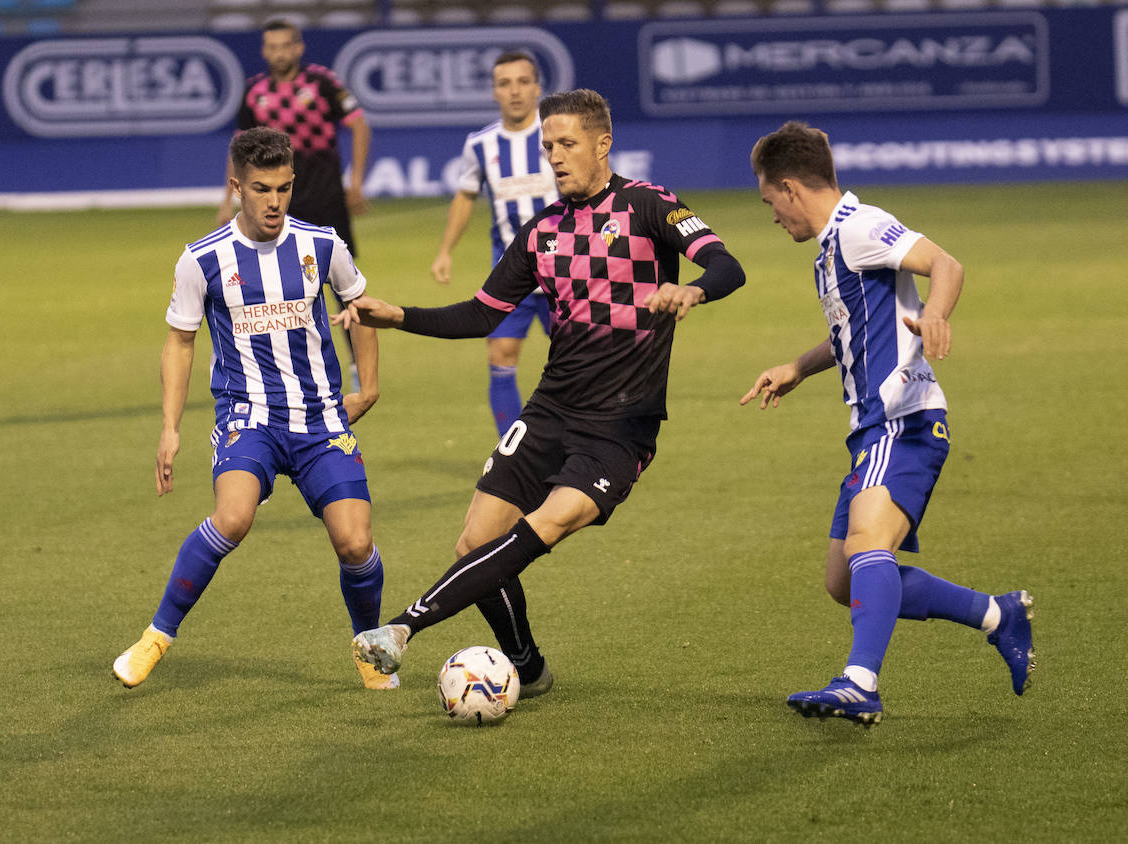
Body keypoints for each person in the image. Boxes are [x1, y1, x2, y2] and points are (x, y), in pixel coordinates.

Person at [344, 90, 745, 694]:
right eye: (547, 146)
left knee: (544, 525)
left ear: (602, 144)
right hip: (550, 410)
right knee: (476, 540)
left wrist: (694, 290)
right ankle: (527, 669)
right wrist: (398, 315)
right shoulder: (542, 232)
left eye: (567, 144)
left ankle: (401, 629)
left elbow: (725, 264)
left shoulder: (649, 205)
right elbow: (481, 314)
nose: (554, 157)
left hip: (620, 424)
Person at [741, 121, 1034, 726]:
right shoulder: (831, 250)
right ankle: (998, 615)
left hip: (900, 420)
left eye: (771, 202)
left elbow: (945, 264)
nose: (774, 216)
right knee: (844, 580)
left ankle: (859, 682)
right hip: (871, 429)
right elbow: (850, 330)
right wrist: (798, 365)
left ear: (792, 188)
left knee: (868, 548)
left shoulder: (860, 227)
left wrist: (937, 316)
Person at [112, 127, 397, 692]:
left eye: (284, 189)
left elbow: (359, 306)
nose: (275, 202)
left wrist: (368, 386)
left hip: (319, 418)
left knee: (356, 543)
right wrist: (170, 428)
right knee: (234, 518)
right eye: (262, 189)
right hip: (250, 417)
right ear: (236, 186)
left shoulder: (322, 245)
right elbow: (180, 342)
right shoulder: (203, 259)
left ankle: (369, 646)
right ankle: (156, 637)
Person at [216, 19, 372, 387]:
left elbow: (359, 124)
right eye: (271, 46)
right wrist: (228, 199)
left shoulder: (322, 83)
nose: (279, 53)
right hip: (273, 202)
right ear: (264, 50)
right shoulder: (254, 92)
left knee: (341, 286)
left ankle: (358, 368)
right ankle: (269, 367)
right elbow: (238, 150)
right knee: (269, 284)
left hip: (325, 198)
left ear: (299, 47)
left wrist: (357, 182)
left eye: (285, 45)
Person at [430, 51, 559, 436]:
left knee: (580, 358)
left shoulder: (558, 133)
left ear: (537, 87)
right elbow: (466, 195)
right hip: (512, 273)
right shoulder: (481, 145)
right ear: (494, 92)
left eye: (523, 82)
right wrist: (445, 250)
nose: (515, 91)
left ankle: (589, 441)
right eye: (505, 84)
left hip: (564, 271)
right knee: (500, 356)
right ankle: (513, 451)